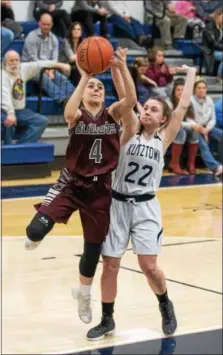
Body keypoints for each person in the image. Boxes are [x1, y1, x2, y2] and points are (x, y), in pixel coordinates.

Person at [24, 47, 137, 325]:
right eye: (92, 87)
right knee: (34, 232)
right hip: (71, 184)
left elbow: (131, 99)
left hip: (100, 191)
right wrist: (85, 75)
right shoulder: (76, 116)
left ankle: (84, 294)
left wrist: (121, 67)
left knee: (92, 248)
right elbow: (69, 110)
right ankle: (41, 230)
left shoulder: (113, 113)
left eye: (100, 86)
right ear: (84, 91)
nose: (96, 89)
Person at [86, 64, 197, 340]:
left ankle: (164, 303)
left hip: (146, 206)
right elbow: (127, 98)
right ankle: (107, 319)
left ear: (163, 119)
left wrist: (191, 73)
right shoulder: (130, 129)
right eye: (145, 107)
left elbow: (182, 106)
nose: (147, 111)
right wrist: (117, 67)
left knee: (149, 267)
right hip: (117, 205)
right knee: (110, 264)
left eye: (154, 109)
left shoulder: (164, 138)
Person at [1, 50, 70, 144]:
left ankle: (22, 147)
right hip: (4, 111)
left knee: (41, 121)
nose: (14, 63)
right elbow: (4, 96)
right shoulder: (2, 75)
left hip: (20, 111)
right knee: (8, 122)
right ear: (5, 62)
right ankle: (7, 148)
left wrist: (59, 65)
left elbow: (40, 64)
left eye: (16, 60)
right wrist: (10, 113)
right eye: (11, 60)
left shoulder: (22, 69)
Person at [21, 13, 74, 103]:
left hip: (49, 67)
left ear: (52, 24)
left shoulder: (53, 38)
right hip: (31, 67)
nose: (46, 27)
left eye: (48, 24)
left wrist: (51, 70)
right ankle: (63, 99)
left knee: (61, 77)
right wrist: (47, 70)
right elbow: (34, 60)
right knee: (43, 77)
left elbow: (54, 59)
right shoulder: (31, 37)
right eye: (44, 24)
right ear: (39, 23)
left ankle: (74, 96)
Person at [191, 79, 222, 176]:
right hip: (194, 128)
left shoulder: (209, 100)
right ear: (195, 90)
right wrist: (201, 129)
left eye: (203, 88)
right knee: (204, 146)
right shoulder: (190, 101)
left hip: (207, 127)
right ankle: (216, 167)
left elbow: (213, 119)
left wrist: (206, 130)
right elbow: (188, 119)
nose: (201, 90)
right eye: (199, 88)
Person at [168, 78, 199, 175]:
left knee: (194, 131)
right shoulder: (169, 102)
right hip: (167, 128)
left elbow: (191, 119)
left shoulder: (188, 102)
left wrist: (194, 126)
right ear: (174, 91)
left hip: (182, 127)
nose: (180, 92)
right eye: (178, 90)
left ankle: (191, 164)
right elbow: (175, 123)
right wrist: (191, 125)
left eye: (182, 90)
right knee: (181, 131)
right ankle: (174, 164)